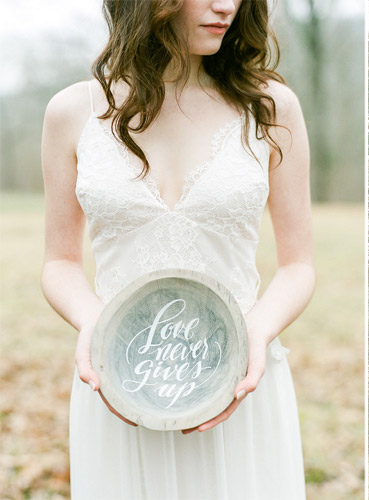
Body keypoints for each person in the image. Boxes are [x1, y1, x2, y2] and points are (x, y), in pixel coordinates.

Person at [40, 0, 314, 497]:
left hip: (242, 383)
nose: (226, 6)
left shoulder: (271, 107)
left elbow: (298, 266)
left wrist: (252, 336)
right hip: (119, 383)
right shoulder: (71, 112)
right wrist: (96, 325)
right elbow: (59, 262)